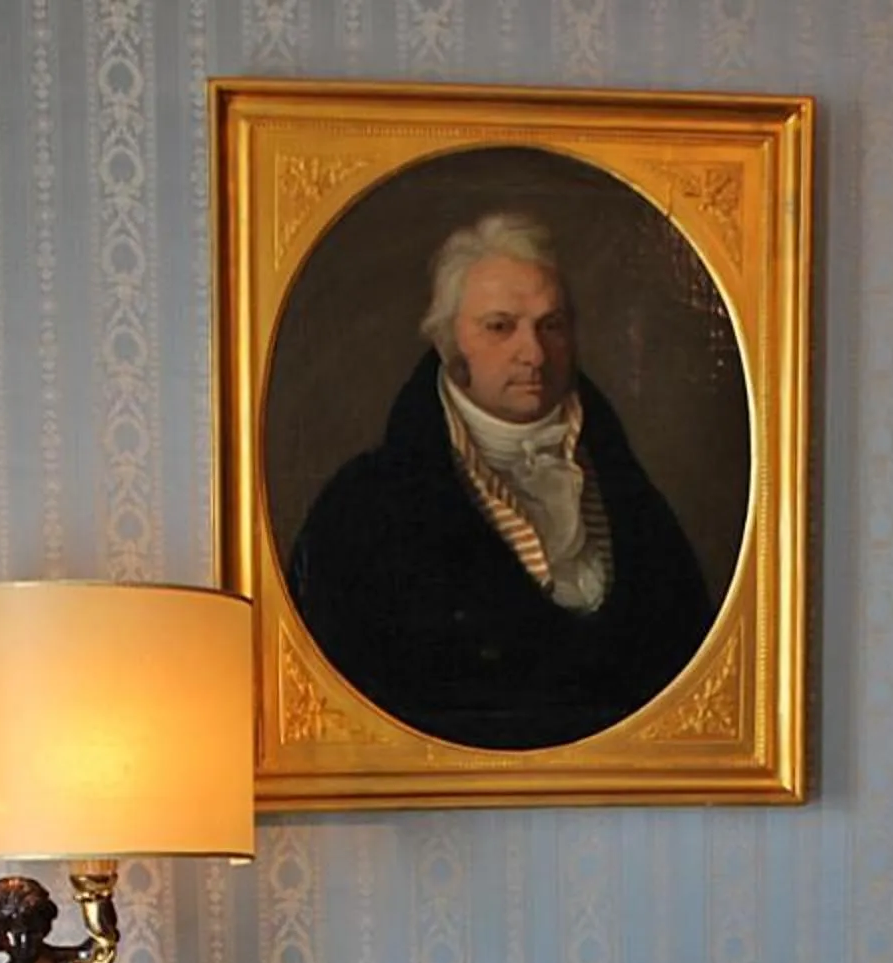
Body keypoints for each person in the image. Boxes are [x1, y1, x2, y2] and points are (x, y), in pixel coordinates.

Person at [284, 212, 715, 752]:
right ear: (448, 341)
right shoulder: (364, 509)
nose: (533, 353)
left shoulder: (632, 496)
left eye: (551, 325)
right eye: (500, 326)